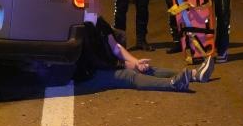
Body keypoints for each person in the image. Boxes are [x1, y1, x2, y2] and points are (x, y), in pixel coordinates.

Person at [75, 13, 215, 91]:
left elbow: (115, 47)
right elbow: (97, 61)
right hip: (89, 75)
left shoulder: (97, 19)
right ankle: (173, 84)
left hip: (104, 65)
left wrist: (135, 61)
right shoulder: (80, 26)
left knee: (145, 68)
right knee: (130, 76)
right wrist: (126, 65)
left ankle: (195, 75)